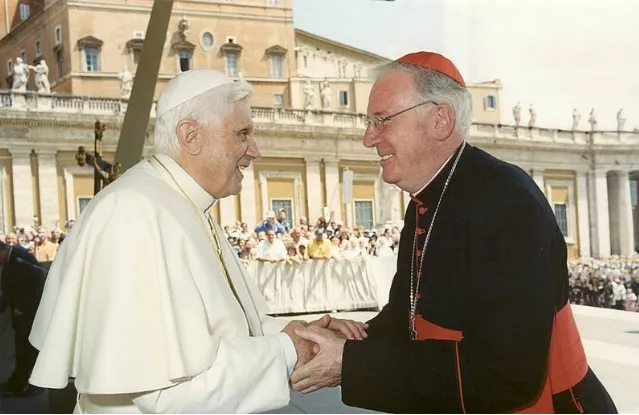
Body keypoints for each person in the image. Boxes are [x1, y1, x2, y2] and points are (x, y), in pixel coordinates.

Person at [290, 52, 618, 413]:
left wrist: (351, 365)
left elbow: (505, 376)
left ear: (440, 120)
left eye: (381, 120)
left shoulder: (508, 203)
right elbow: (408, 318)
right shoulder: (425, 201)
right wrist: (346, 340)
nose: (369, 138)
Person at [27, 69, 367, 414]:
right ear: (190, 136)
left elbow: (228, 329)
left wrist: (303, 332)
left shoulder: (186, 204)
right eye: (242, 134)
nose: (255, 151)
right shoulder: (134, 213)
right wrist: (287, 350)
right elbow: (165, 394)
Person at [0, 241, 46, 397]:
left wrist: (25, 308)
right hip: (19, 312)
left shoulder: (21, 258)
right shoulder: (11, 258)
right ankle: (17, 382)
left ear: (4, 250)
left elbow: (38, 282)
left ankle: (31, 384)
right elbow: (8, 290)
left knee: (28, 350)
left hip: (27, 313)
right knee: (21, 350)